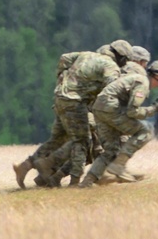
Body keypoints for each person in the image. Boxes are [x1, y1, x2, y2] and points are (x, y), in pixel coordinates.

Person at [13, 40, 132, 188]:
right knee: (82, 141)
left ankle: (25, 166)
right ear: (121, 57)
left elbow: (64, 58)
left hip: (59, 98)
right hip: (75, 102)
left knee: (57, 140)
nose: (125, 64)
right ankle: (75, 183)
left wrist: (62, 79)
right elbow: (113, 88)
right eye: (126, 60)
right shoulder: (111, 66)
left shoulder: (87, 55)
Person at [79, 57, 158, 187]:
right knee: (145, 132)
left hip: (100, 108)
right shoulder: (143, 84)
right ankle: (118, 166)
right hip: (110, 108)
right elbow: (132, 112)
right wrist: (152, 110)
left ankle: (87, 182)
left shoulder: (139, 80)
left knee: (111, 150)